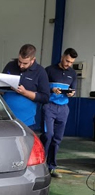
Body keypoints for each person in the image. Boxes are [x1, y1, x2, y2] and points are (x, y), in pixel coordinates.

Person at [40, 48, 78, 178]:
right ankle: (41, 165)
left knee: (57, 139)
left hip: (63, 109)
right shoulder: (49, 70)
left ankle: (51, 167)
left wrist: (72, 93)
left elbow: (73, 90)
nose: (68, 64)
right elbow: (41, 87)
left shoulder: (72, 73)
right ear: (62, 57)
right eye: (67, 60)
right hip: (49, 107)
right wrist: (52, 89)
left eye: (71, 62)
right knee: (48, 135)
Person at [0, 44, 50, 128]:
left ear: (33, 60)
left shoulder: (40, 72)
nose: (21, 65)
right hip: (5, 117)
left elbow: (45, 97)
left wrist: (25, 92)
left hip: (26, 121)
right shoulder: (11, 65)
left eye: (25, 63)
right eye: (19, 61)